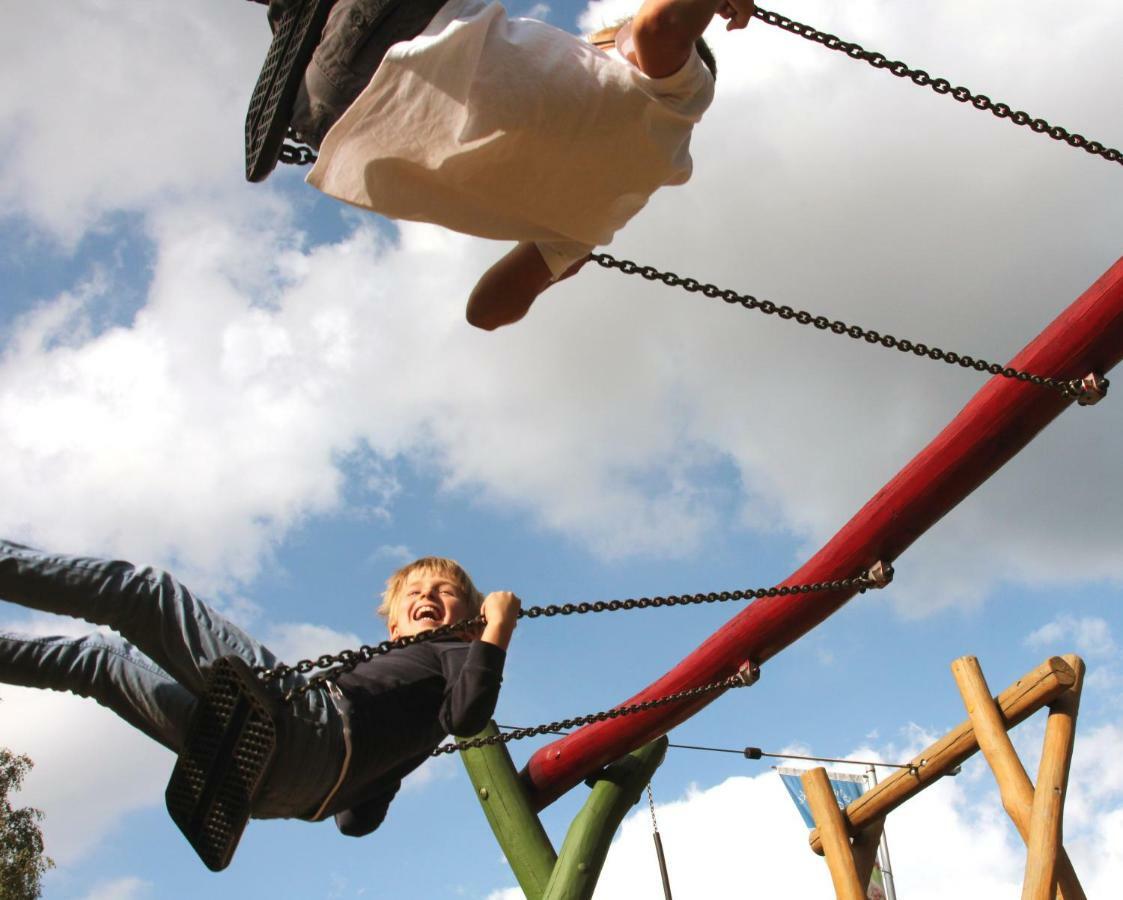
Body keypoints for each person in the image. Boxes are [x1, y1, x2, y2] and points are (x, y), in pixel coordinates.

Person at [282, 0, 756, 329]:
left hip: (399, 29)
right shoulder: (589, 228)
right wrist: (557, 266)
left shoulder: (682, 98)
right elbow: (485, 312)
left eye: (602, 40)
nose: (587, 43)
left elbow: (661, 27)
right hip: (325, 115)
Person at [0, 539, 519, 836]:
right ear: (393, 626)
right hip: (272, 791)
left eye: (445, 592)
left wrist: (497, 629)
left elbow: (469, 717)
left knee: (145, 594)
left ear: (469, 620)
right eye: (416, 591)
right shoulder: (413, 686)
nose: (428, 595)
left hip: (303, 728)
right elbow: (354, 822)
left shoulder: (457, 652)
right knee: (99, 662)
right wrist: (387, 764)